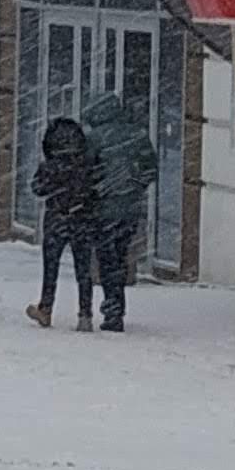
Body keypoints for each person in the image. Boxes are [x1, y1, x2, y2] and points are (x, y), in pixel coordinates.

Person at [76, 91, 156, 331]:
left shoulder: (95, 139)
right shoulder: (138, 135)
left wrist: (96, 193)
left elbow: (85, 172)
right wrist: (134, 188)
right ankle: (116, 307)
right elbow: (150, 169)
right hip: (130, 209)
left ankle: (113, 308)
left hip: (104, 210)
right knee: (119, 256)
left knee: (106, 258)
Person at [29, 114, 100, 329]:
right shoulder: (87, 165)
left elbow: (37, 188)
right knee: (83, 268)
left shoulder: (50, 166)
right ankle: (85, 314)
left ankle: (46, 308)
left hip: (56, 218)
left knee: (51, 267)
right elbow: (95, 191)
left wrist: (55, 186)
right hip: (81, 219)